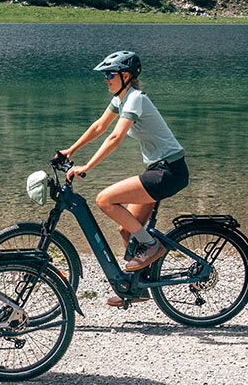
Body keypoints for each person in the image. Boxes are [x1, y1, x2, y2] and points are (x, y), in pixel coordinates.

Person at [58, 51, 187, 305]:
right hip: (158, 170)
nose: (106, 79)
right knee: (126, 229)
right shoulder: (122, 99)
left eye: (110, 75)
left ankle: (152, 245)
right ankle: (138, 288)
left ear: (125, 76)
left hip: (168, 171)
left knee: (105, 199)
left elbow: (115, 137)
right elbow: (100, 126)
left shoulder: (135, 99)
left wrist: (87, 166)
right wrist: (70, 151)